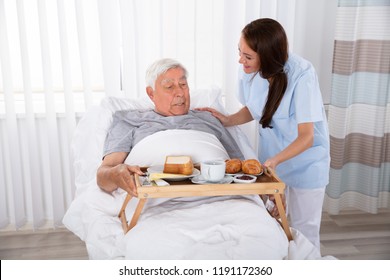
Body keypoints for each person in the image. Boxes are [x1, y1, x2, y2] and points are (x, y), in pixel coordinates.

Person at [198, 18, 330, 250]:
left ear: (267, 56)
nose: (241, 60)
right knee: (275, 229)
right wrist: (227, 120)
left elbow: (307, 136)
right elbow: (255, 107)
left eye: (247, 56)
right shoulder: (250, 71)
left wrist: (275, 161)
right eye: (240, 52)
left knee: (304, 234)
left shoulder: (302, 75)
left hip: (305, 164)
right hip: (273, 162)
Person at [96, 58, 244, 198]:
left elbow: (239, 167)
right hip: (153, 198)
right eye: (169, 87)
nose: (180, 93)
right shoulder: (129, 120)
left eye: (183, 85)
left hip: (217, 195)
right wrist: (115, 174)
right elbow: (104, 175)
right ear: (151, 93)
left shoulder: (208, 118)